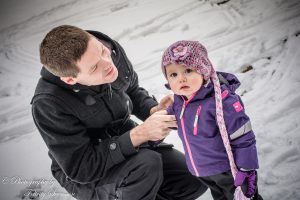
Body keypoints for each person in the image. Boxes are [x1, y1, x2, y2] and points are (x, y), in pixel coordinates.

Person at [31, 25, 208, 200]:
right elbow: (82, 167)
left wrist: (153, 110)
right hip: (91, 173)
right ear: (70, 79)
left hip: (129, 147)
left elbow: (130, 89)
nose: (107, 63)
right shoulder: (48, 103)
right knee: (147, 165)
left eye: (102, 51)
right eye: (94, 68)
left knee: (194, 177)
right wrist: (140, 134)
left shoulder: (107, 48)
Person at [160, 40, 263, 200]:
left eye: (188, 70)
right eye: (173, 74)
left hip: (228, 171)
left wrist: (247, 168)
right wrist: (160, 119)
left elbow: (243, 136)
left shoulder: (222, 102)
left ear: (204, 71)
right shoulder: (180, 101)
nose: (181, 79)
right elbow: (175, 121)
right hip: (203, 172)